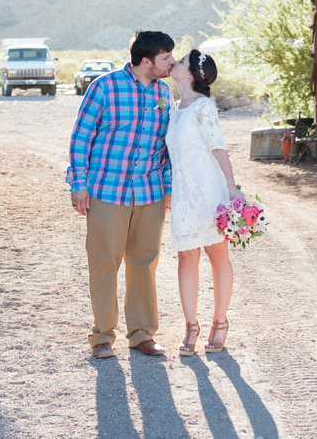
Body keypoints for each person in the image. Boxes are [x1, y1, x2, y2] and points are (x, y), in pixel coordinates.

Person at [66, 31, 175, 359]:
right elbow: (80, 138)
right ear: (146, 62)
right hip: (106, 191)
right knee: (104, 263)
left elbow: (166, 147)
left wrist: (168, 190)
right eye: (166, 57)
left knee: (144, 264)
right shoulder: (105, 86)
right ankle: (102, 336)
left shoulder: (164, 93)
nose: (172, 62)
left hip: (150, 192)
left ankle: (142, 333)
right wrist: (78, 184)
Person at [166, 49, 243, 356]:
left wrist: (231, 187)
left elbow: (218, 147)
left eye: (181, 60)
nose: (175, 62)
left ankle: (220, 322)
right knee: (186, 258)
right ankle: (190, 326)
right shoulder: (174, 107)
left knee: (217, 258)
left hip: (209, 193)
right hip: (184, 195)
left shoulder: (203, 107)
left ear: (191, 74)